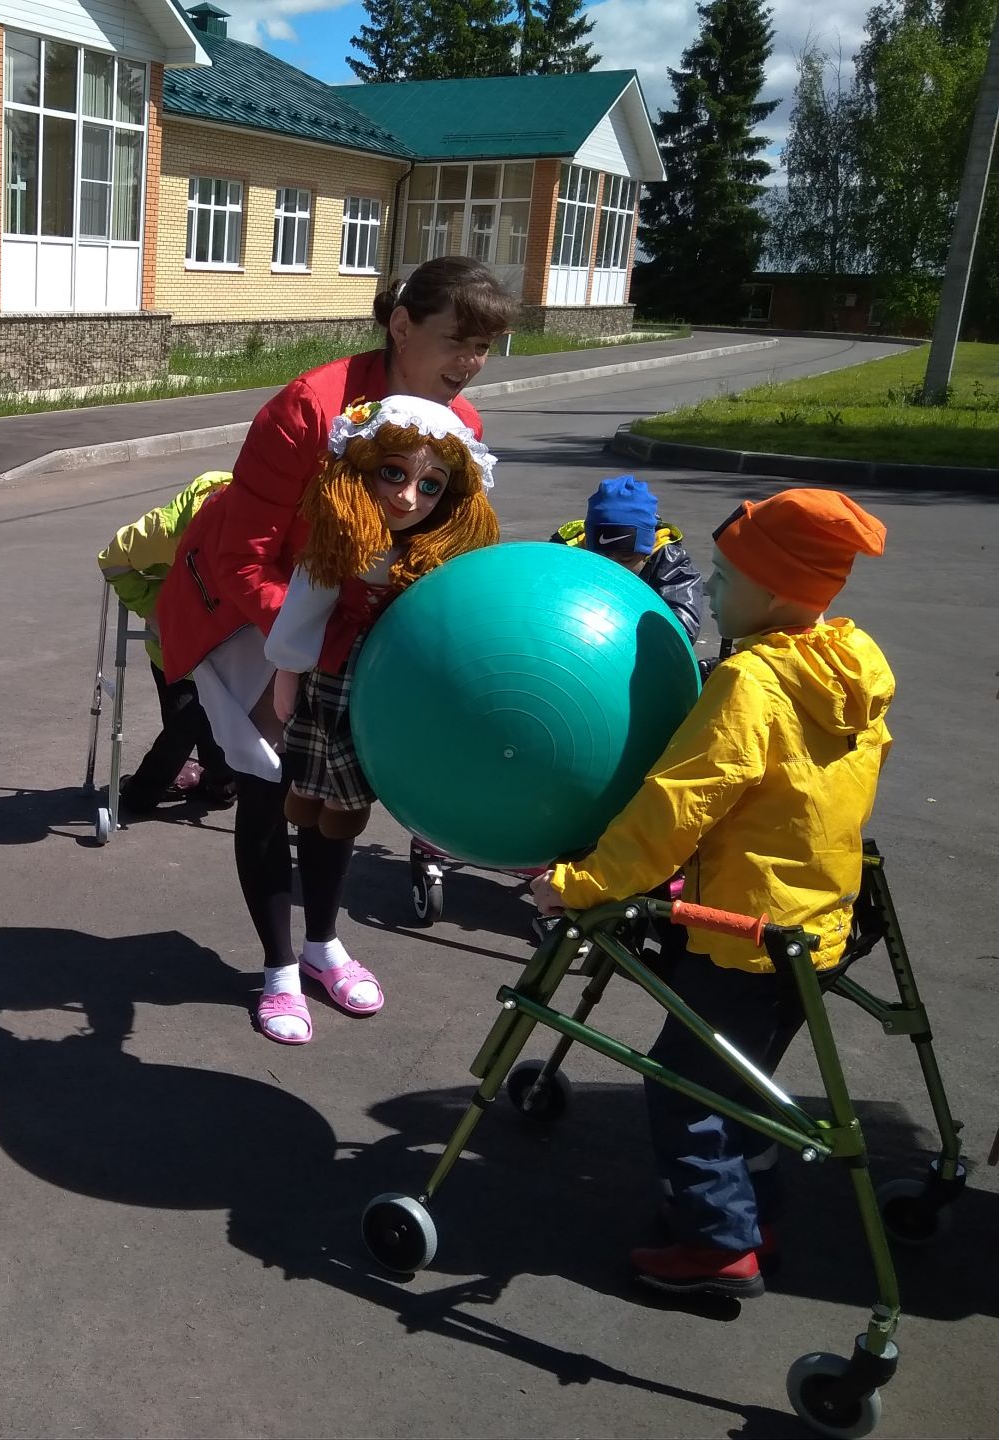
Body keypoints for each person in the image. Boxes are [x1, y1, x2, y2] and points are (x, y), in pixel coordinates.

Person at [530, 488, 892, 1297]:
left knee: (685, 1085)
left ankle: (715, 1243)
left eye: (725, 578)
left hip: (741, 935)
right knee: (745, 1080)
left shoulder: (752, 684)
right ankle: (750, 1212)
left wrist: (583, 884)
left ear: (771, 593)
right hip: (818, 928)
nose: (711, 589)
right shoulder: (853, 664)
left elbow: (677, 804)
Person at [156, 256, 515, 1042]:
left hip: (346, 626)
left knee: (340, 791)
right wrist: (313, 652)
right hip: (253, 615)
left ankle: (323, 945)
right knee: (271, 781)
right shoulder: (308, 410)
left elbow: (438, 547)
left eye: (486, 347)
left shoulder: (463, 429)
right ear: (400, 325)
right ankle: (278, 968)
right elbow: (241, 558)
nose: (470, 364)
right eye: (457, 341)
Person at [254, 397, 500, 1042]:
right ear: (359, 470)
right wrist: (285, 676)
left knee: (345, 809)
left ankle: (322, 944)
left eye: (430, 485)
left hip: (389, 694)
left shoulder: (431, 555)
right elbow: (302, 614)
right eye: (393, 474)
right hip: (331, 680)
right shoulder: (339, 547)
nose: (409, 497)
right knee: (303, 796)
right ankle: (281, 967)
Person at [95, 471, 236, 814]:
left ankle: (221, 782)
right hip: (172, 645)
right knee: (185, 723)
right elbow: (112, 560)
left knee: (222, 718)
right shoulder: (163, 529)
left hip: (228, 642)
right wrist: (151, 610)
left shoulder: (255, 516)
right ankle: (140, 794)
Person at [550, 475, 704, 641]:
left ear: (648, 551)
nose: (613, 570)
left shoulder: (670, 564)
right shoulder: (565, 553)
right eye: (601, 558)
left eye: (625, 558)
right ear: (588, 544)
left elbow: (681, 633)